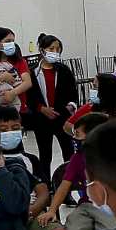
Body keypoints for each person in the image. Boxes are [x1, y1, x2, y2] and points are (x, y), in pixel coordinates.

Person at [45, 112, 116, 230]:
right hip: (85, 206)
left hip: (110, 207)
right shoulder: (77, 159)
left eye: (77, 134)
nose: (74, 139)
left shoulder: (115, 158)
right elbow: (63, 186)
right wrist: (52, 210)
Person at [24, 33, 78, 182]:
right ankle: (47, 187)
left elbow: (73, 93)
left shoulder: (64, 70)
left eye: (57, 49)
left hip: (62, 118)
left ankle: (67, 188)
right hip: (41, 119)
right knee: (45, 155)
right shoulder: (32, 72)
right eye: (51, 48)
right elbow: (29, 96)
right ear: (42, 50)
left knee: (68, 153)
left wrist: (70, 106)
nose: (54, 52)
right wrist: (41, 108)